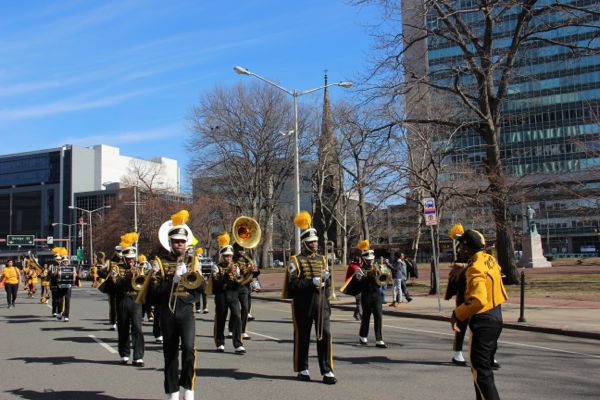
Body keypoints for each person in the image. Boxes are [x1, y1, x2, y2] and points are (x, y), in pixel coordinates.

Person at [449, 224, 508, 400]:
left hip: (483, 320)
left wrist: (457, 314)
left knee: (481, 374)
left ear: (467, 247)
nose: (460, 249)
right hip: (496, 316)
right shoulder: (490, 260)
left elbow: (479, 300)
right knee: (485, 371)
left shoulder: (475, 268)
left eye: (462, 246)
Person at [151, 210, 202, 400]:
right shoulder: (159, 263)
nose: (179, 244)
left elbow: (201, 290)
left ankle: (188, 389)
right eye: (176, 241)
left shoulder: (193, 262)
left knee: (189, 349)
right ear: (170, 243)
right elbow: (153, 293)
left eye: (182, 241)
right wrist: (173, 279)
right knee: (170, 354)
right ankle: (172, 392)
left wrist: (197, 278)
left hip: (187, 311)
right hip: (168, 312)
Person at [282, 211, 336, 384]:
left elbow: (328, 283)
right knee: (303, 336)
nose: (315, 245)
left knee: (325, 335)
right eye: (311, 242)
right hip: (303, 303)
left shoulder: (322, 259)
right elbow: (293, 284)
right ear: (305, 243)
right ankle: (302, 368)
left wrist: (326, 283)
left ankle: (327, 370)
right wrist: (310, 282)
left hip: (321, 303)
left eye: (316, 242)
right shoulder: (295, 260)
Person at [209, 233, 245, 354]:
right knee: (221, 318)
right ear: (222, 256)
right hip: (221, 295)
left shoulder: (235, 266)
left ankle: (238, 344)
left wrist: (238, 278)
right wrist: (226, 275)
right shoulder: (216, 267)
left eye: (230, 256)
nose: (228, 259)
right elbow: (217, 282)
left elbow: (239, 281)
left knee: (237, 317)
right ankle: (220, 343)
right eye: (226, 256)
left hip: (233, 295)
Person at [113, 233, 145, 367]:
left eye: (133, 258)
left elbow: (144, 284)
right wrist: (128, 276)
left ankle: (138, 356)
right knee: (123, 327)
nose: (131, 261)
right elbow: (116, 284)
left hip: (136, 299)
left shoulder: (139, 268)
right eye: (129, 259)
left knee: (137, 327)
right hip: (122, 299)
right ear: (124, 259)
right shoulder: (116, 268)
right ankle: (124, 354)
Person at [353, 241, 387, 348]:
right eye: (368, 259)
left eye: (371, 259)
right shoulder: (360, 270)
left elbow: (384, 281)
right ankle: (363, 336)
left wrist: (379, 274)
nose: (370, 261)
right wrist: (362, 277)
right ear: (363, 259)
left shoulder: (378, 267)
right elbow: (360, 284)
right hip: (366, 295)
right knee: (366, 317)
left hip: (376, 295)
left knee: (378, 316)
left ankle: (379, 339)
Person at [231, 242, 259, 340]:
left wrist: (254, 270)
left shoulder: (247, 260)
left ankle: (243, 331)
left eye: (243, 249)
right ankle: (231, 329)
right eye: (240, 250)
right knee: (234, 310)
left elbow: (254, 275)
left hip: (244, 287)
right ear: (235, 250)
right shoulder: (232, 259)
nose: (242, 252)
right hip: (234, 287)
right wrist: (245, 269)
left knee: (245, 308)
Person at [345, 255, 362, 320]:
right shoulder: (353, 266)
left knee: (360, 301)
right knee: (359, 302)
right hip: (355, 286)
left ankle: (356, 314)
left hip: (358, 286)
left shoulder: (355, 265)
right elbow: (359, 272)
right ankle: (361, 315)